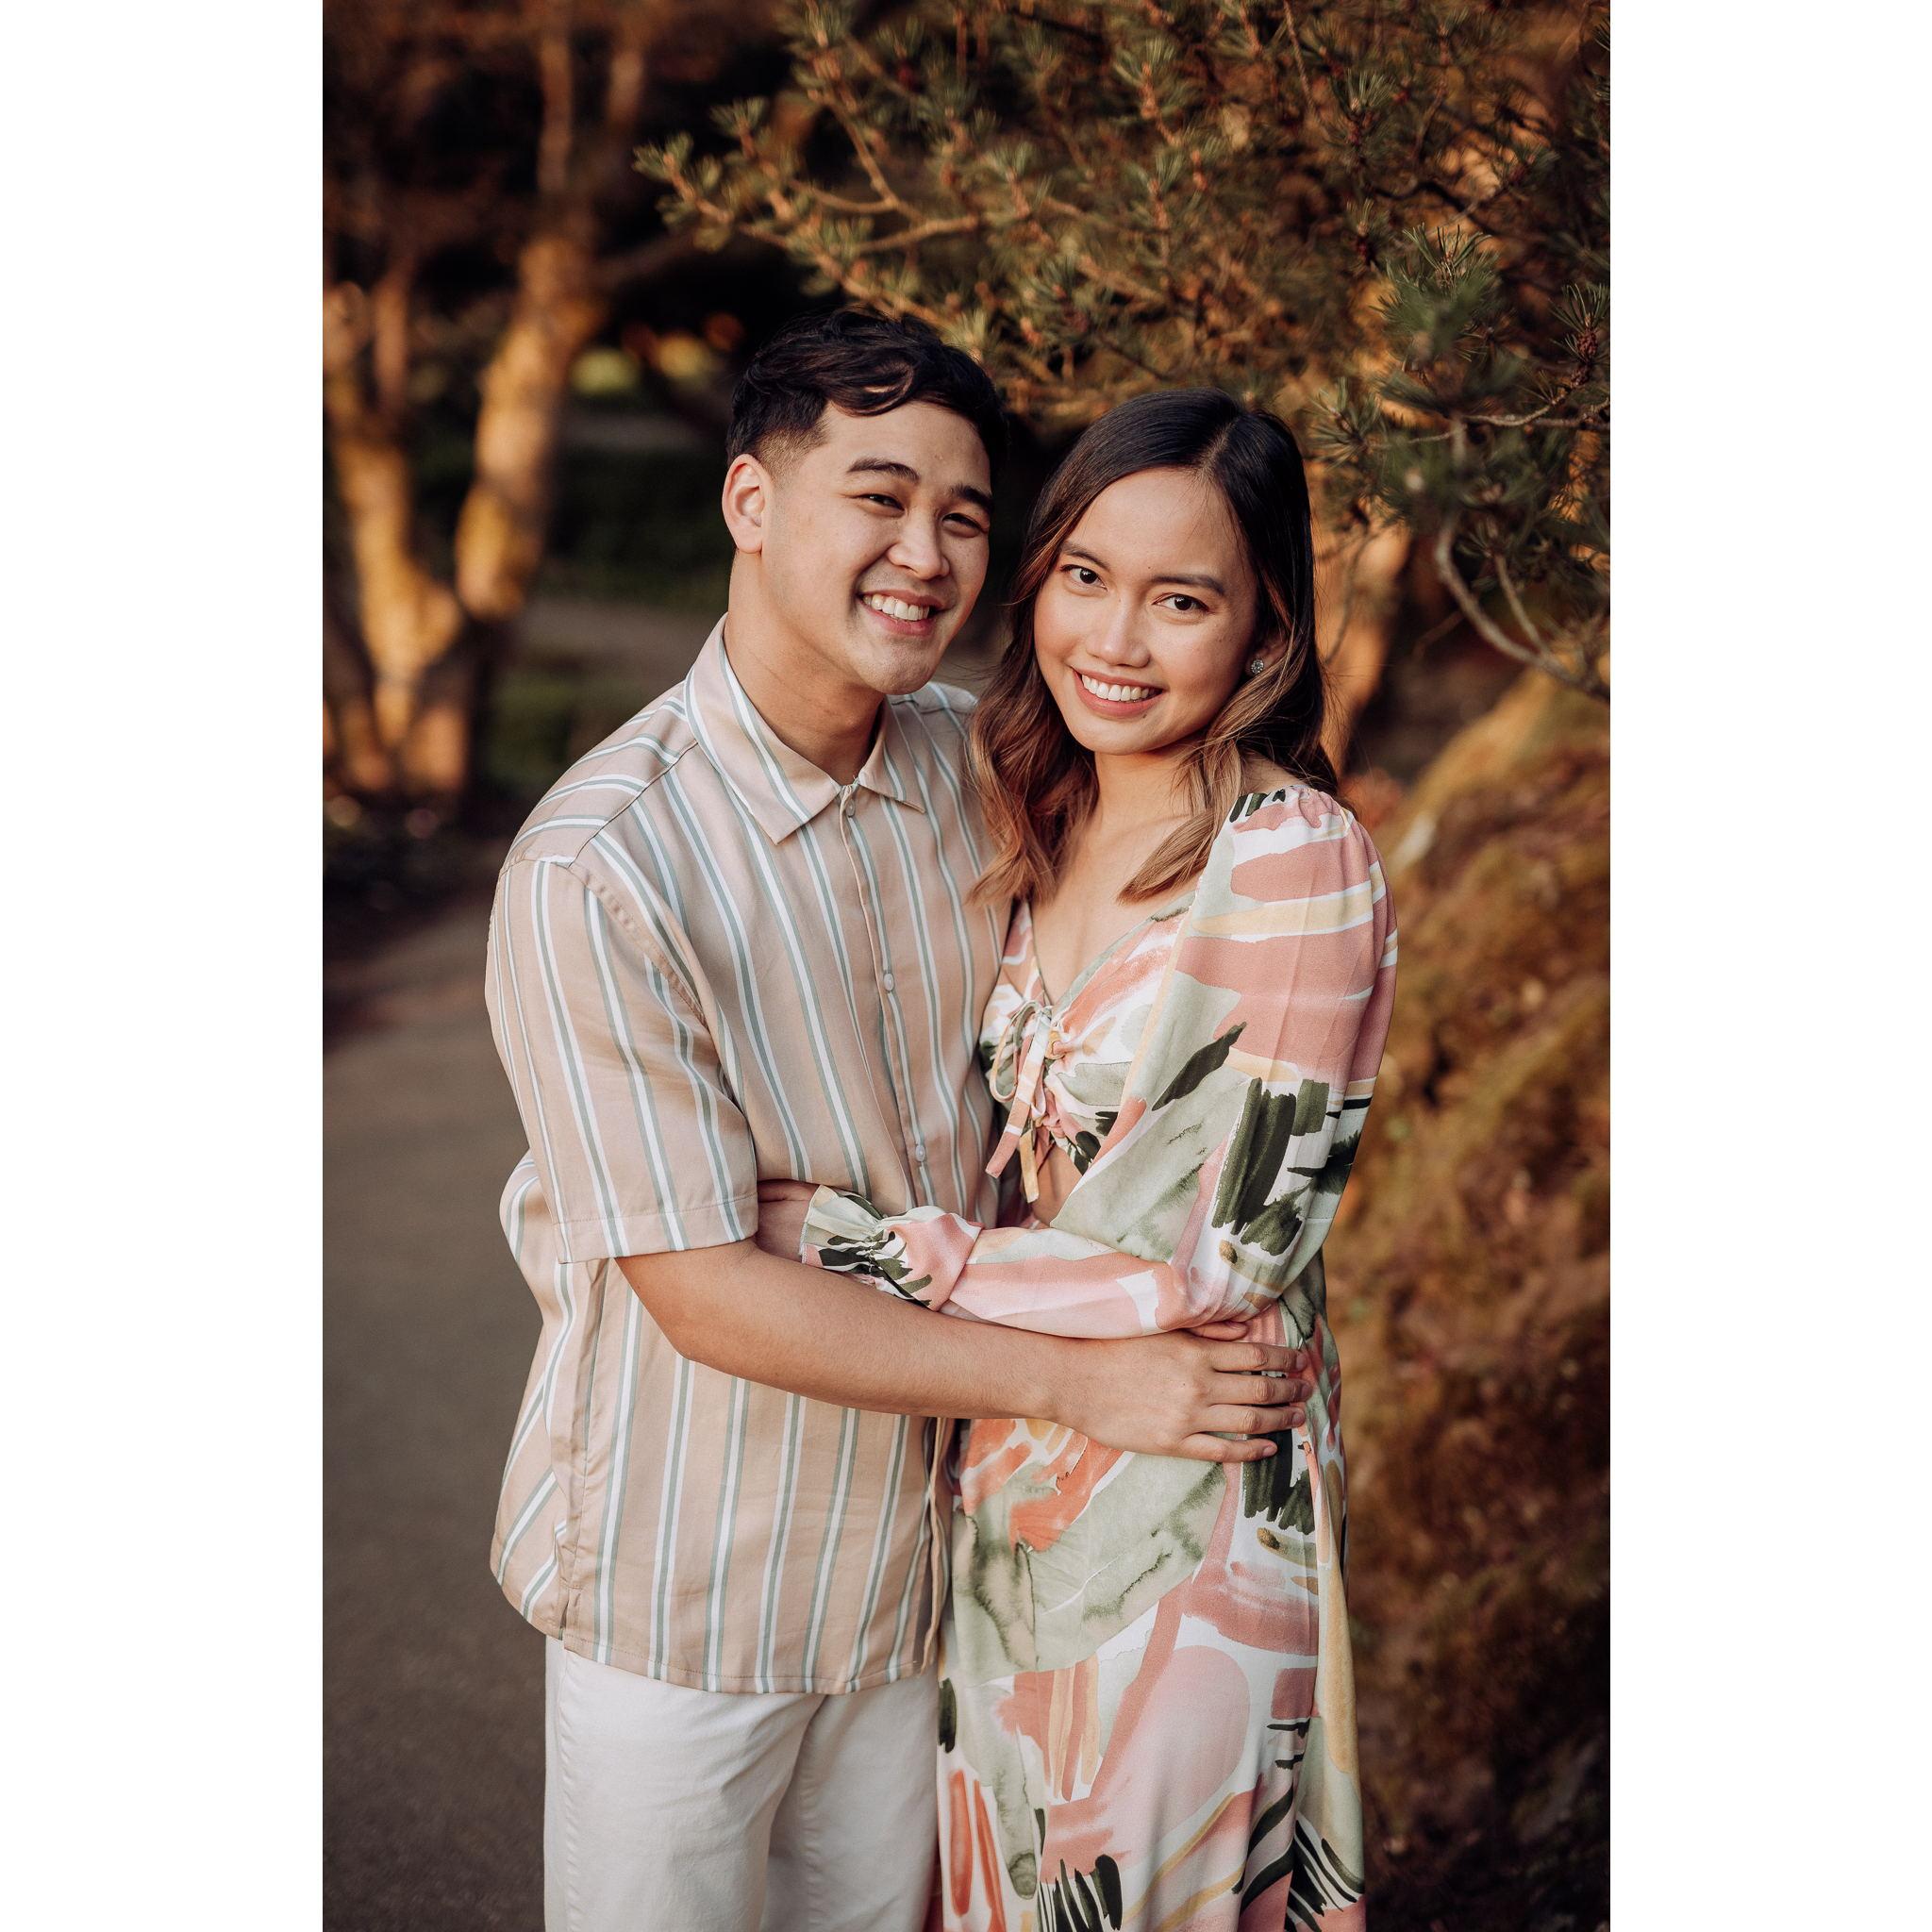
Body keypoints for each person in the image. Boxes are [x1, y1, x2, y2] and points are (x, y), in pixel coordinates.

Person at [483, 315, 1318, 1932]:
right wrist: (1085, 1381)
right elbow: (701, 1286)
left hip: (930, 1579)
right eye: (880, 497)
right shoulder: (603, 866)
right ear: (750, 500)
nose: (926, 555)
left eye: (965, 516)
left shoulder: (984, 767)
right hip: (691, 1585)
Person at [757, 389, 1398, 1931]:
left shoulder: (1293, 860)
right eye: (1087, 577)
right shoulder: (1033, 815)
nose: (1114, 638)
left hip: (1190, 1494)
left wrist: (862, 1249)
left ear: (1265, 629)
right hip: (1012, 1475)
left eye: (1181, 600)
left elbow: (1213, 1256)